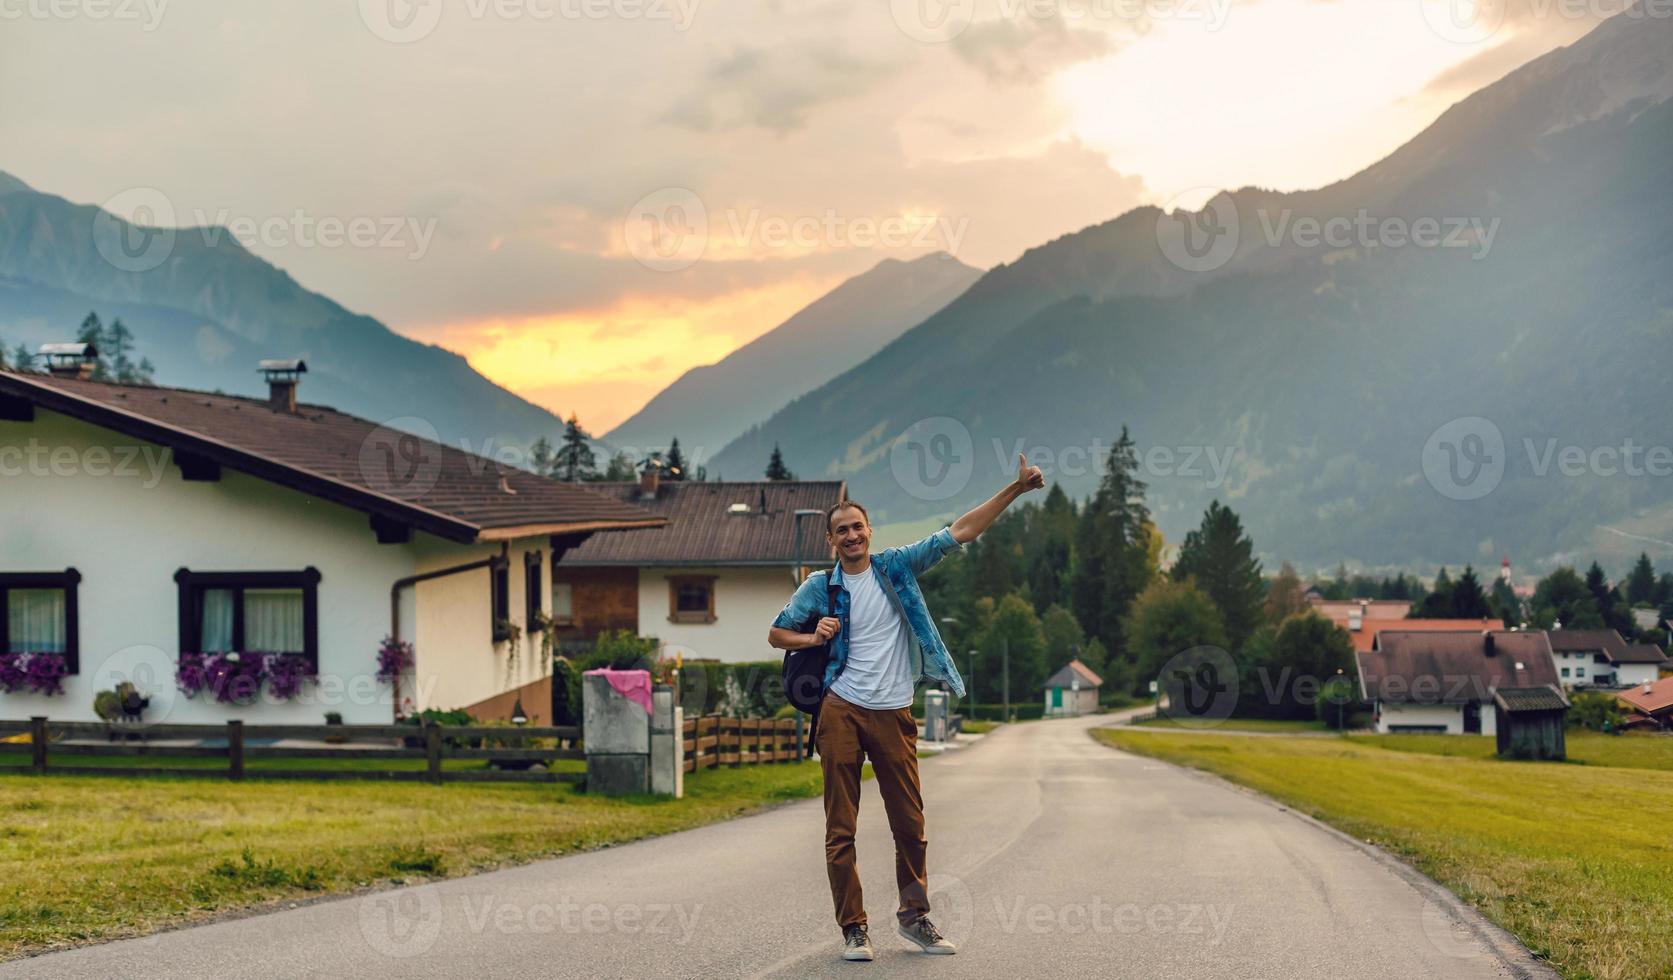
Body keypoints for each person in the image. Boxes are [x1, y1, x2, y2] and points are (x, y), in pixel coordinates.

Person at [769, 453, 1046, 961]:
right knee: (840, 828)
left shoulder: (896, 567)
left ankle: (915, 918)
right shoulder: (820, 587)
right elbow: (775, 634)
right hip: (841, 710)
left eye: (857, 527)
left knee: (910, 824)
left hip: (894, 711)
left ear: (869, 531)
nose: (851, 536)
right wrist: (812, 637)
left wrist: (1016, 489)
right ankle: (854, 929)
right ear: (830, 541)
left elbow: (959, 531)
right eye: (841, 531)